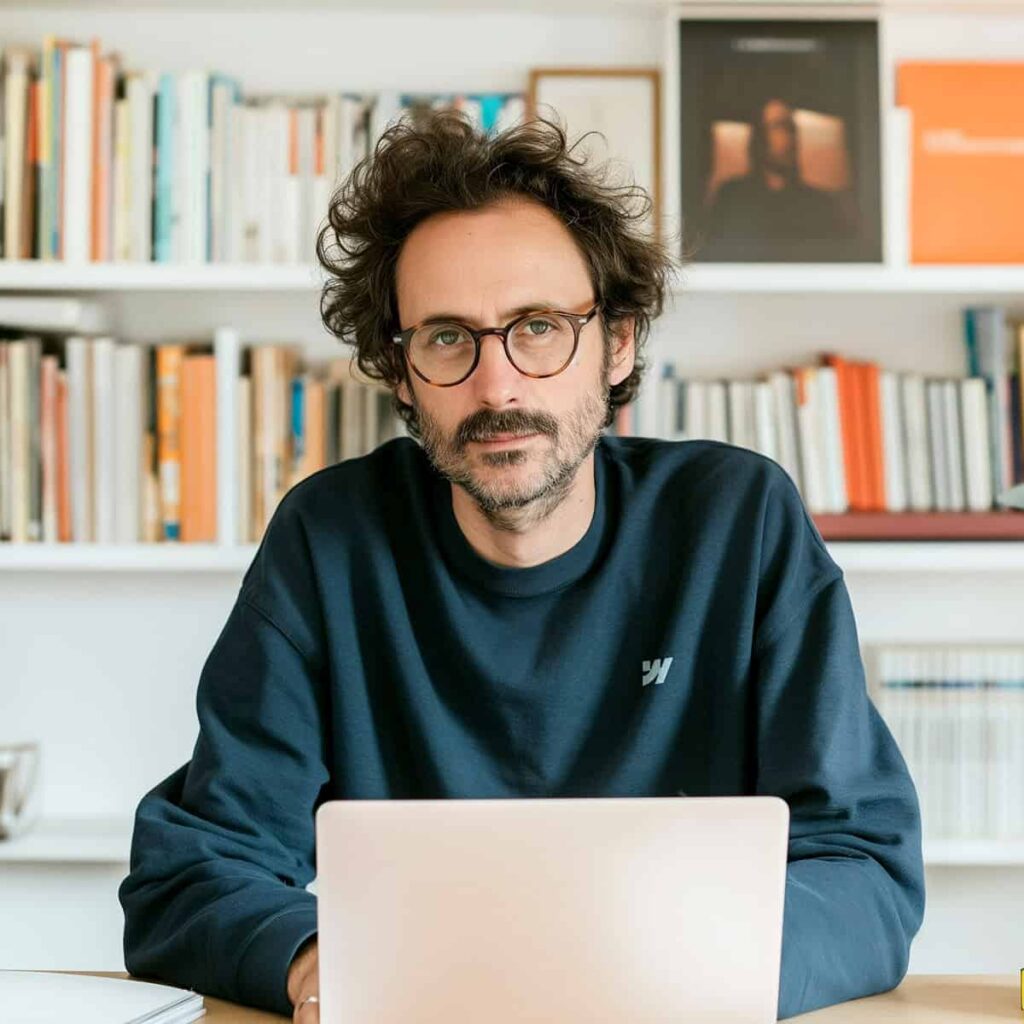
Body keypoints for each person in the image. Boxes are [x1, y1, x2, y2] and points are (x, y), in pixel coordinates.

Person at [118, 109, 925, 1022]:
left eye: (538, 327)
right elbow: (190, 872)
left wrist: (679, 980)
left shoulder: (736, 523)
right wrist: (315, 964)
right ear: (400, 371)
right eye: (447, 337)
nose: (497, 386)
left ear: (617, 342)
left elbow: (864, 865)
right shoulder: (330, 540)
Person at [703, 97, 848, 248]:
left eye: (791, 129)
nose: (789, 137)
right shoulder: (731, 196)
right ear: (759, 137)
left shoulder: (820, 204)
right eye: (779, 127)